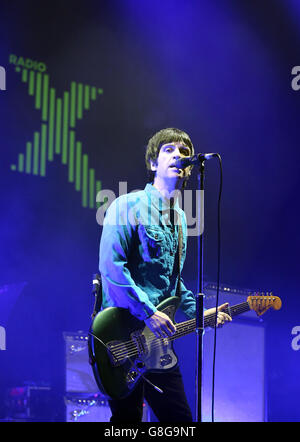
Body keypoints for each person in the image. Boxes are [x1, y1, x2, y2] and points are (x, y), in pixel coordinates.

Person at [98, 128, 232, 422]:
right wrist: (148, 313)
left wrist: (200, 312)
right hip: (123, 335)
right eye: (169, 150)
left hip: (158, 346)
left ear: (188, 171)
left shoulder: (181, 218)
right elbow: (111, 268)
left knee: (182, 421)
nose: (179, 156)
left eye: (184, 152)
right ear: (152, 163)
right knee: (126, 424)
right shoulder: (126, 205)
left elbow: (172, 281)